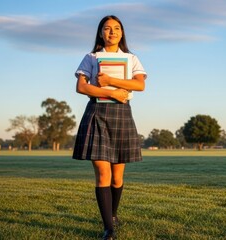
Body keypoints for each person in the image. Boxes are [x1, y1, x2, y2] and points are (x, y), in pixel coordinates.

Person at [72, 15, 147, 240]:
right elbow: (81, 87)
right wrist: (111, 92)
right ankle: (109, 229)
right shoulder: (91, 57)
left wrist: (111, 82)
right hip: (96, 114)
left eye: (116, 28)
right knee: (103, 173)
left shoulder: (131, 58)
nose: (112, 32)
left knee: (117, 176)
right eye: (107, 28)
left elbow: (139, 85)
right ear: (101, 33)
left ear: (121, 33)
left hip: (122, 115)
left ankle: (113, 215)